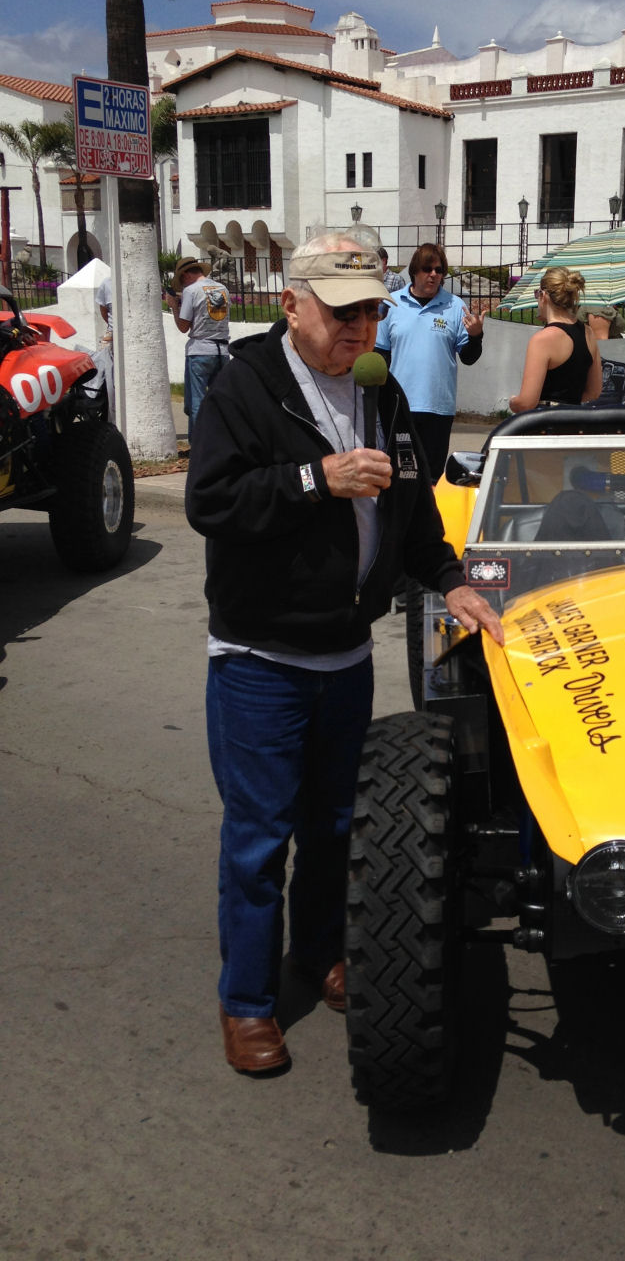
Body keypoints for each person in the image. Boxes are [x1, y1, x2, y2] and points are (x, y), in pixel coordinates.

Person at [185, 233, 504, 1075]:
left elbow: (414, 510)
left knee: (335, 826)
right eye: (342, 312)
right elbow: (210, 501)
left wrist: (451, 580)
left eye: (369, 310)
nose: (360, 328)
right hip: (261, 657)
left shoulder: (380, 390)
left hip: (345, 654)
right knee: (260, 840)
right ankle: (247, 1002)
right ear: (292, 306)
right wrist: (313, 481)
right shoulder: (245, 385)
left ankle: (321, 952)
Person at [374, 242, 484, 482]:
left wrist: (476, 336)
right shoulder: (391, 303)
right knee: (398, 477)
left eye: (439, 270)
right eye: (427, 269)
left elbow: (469, 357)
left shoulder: (455, 306)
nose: (433, 274)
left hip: (438, 408)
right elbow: (380, 356)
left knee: (431, 479)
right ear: (415, 270)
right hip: (400, 407)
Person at [509, 267, 602, 411]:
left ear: (543, 295)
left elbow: (526, 403)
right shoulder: (587, 332)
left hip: (546, 419)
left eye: (536, 293)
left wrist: (513, 401)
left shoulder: (543, 339)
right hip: (575, 419)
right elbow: (594, 392)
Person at [164, 255, 231, 442]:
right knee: (221, 401)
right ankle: (221, 441)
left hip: (200, 351)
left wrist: (174, 307)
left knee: (197, 402)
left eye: (182, 281)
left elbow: (183, 326)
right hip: (222, 350)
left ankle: (198, 445)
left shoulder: (191, 291)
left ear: (186, 275)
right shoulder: (222, 289)